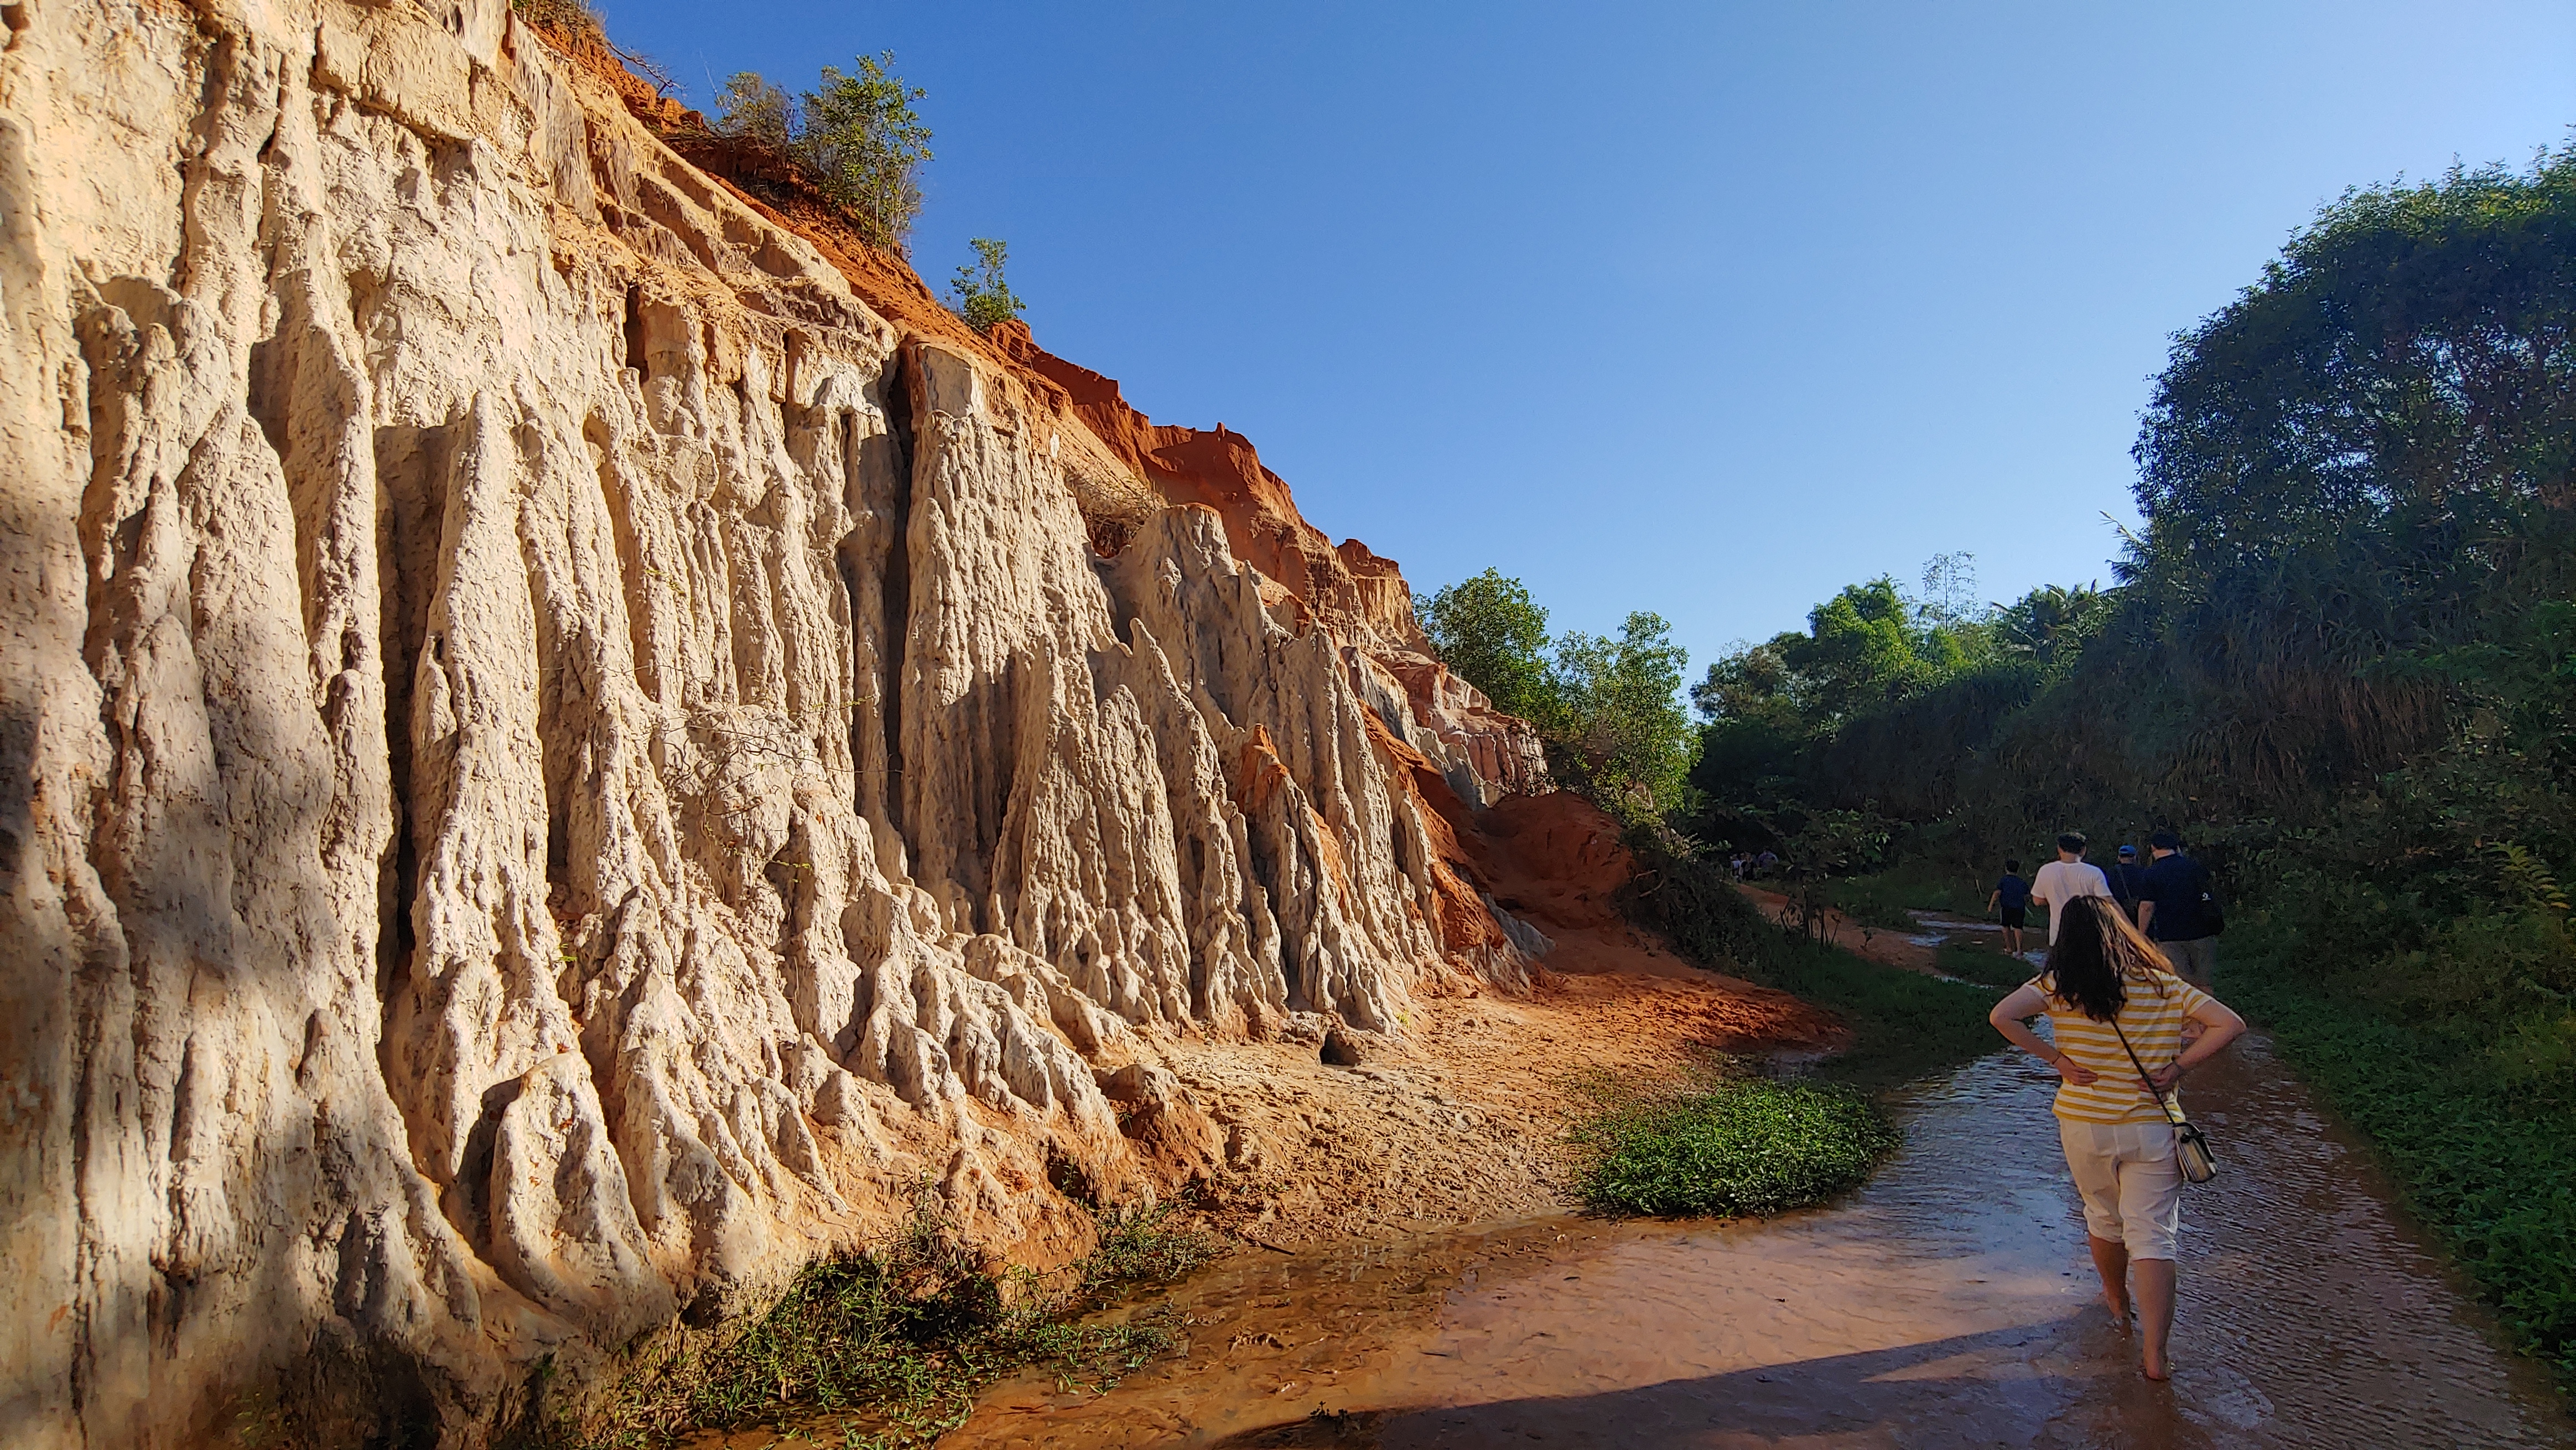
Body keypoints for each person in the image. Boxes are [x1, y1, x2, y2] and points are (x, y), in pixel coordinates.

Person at [1988, 897, 2247, 1381]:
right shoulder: (2163, 984)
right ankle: (2155, 1356)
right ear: (2123, 933)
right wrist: (2178, 1067)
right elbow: (2230, 1024)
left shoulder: (2058, 985)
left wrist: (2057, 1060)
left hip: (2084, 1125)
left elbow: (2002, 1016)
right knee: (2154, 1236)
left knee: (2104, 1220)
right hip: (2152, 1126)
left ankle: (2115, 1302)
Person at [2138, 830, 2220, 983]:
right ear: (2177, 848)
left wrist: (2141, 935)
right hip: (2202, 933)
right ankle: (2208, 1006)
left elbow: (2147, 907)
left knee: (2182, 985)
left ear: (2153, 848)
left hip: (2170, 937)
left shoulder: (2151, 874)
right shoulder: (2193, 867)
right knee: (2205, 984)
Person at [2028, 832, 2113, 944]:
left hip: (2059, 932)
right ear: (2083, 850)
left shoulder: (2046, 870)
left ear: (2059, 849)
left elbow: (2038, 901)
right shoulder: (2094, 872)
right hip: (2089, 933)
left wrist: (2054, 898)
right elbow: (2107, 901)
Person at [1987, 858, 2030, 955]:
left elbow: (1997, 893)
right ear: (2017, 870)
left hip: (2006, 907)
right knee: (2018, 928)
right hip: (2019, 908)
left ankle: (2009, 948)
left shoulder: (2004, 880)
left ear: (2006, 869)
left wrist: (1991, 906)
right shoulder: (2022, 882)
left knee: (2005, 927)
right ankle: (2019, 950)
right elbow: (2027, 896)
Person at [2111, 843, 2151, 924]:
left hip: (2118, 914)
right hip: (2139, 913)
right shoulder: (2143, 872)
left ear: (2119, 857)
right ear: (2134, 857)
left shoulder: (2111, 872)